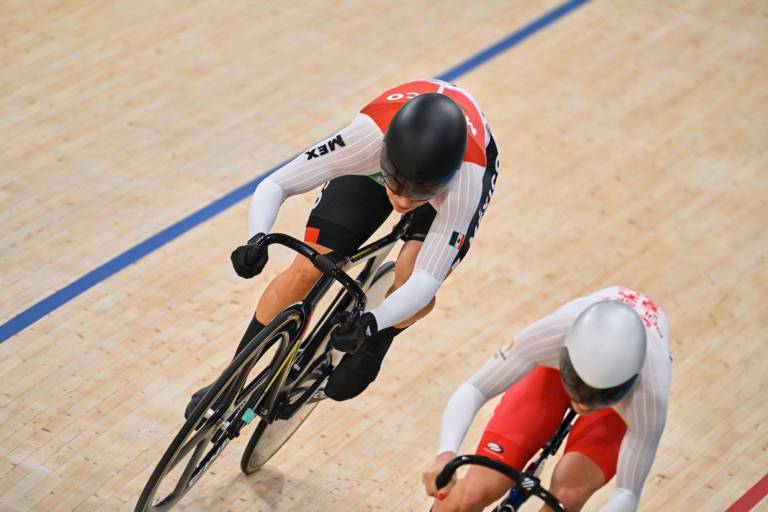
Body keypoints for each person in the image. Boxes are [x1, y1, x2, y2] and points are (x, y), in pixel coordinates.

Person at [186, 78, 499, 416]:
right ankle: (233, 378)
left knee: (410, 276)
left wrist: (374, 325)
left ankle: (383, 340)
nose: (404, 201)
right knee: (308, 265)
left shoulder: (465, 182)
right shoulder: (364, 139)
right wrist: (257, 236)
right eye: (395, 185)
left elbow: (426, 282)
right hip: (377, 163)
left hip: (459, 174)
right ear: (384, 156)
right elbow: (277, 184)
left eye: (419, 194)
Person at [422, 286, 672, 512]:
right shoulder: (551, 335)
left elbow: (627, 494)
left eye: (597, 397)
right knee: (475, 492)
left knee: (567, 498)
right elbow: (474, 389)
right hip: (554, 375)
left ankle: (590, 390)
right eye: (577, 387)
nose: (582, 404)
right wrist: (445, 455)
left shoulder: (650, 394)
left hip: (616, 407)